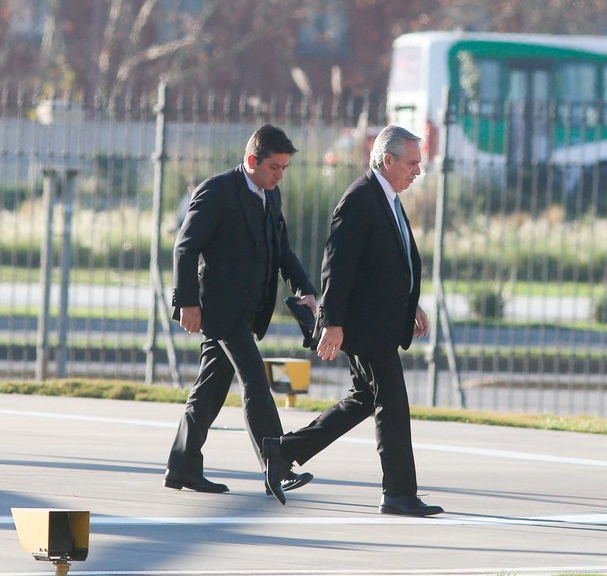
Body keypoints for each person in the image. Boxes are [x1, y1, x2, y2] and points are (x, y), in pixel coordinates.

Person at [260, 125, 443, 517]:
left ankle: (284, 451)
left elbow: (388, 266)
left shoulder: (386, 197)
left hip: (378, 322)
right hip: (365, 327)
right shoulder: (361, 199)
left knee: (366, 398)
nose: (417, 171)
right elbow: (337, 266)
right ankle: (398, 492)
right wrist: (332, 322)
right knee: (392, 403)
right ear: (387, 159)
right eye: (412, 163)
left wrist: (410, 306)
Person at [165, 124, 318, 497]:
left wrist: (305, 290)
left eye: (284, 168)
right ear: (252, 160)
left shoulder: (270, 195)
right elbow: (185, 248)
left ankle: (182, 467)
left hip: (249, 310)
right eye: (274, 167)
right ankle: (277, 466)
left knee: (211, 389)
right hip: (219, 308)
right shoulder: (217, 191)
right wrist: (187, 302)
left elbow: (281, 250)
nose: (280, 175)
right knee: (254, 380)